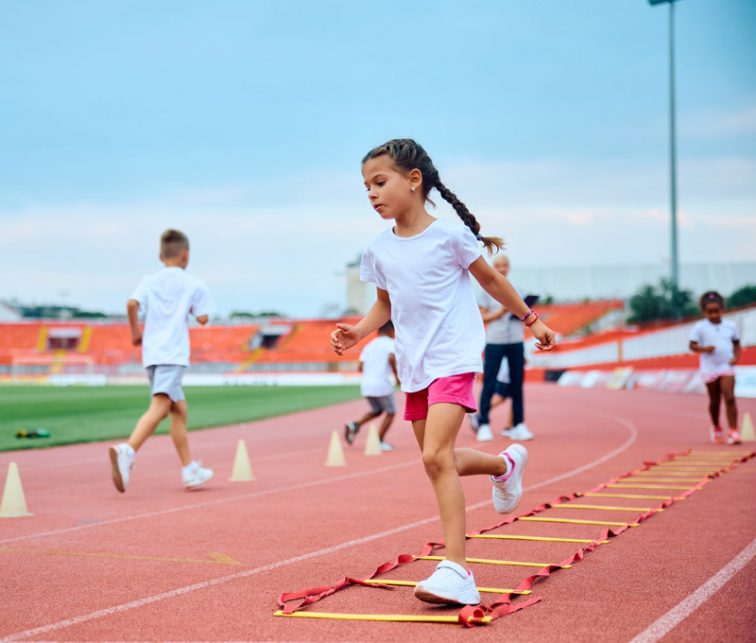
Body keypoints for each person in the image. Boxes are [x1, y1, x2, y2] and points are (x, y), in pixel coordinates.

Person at [331, 139, 555, 606]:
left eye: (380, 182)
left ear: (414, 181)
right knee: (442, 461)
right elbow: (384, 306)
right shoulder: (377, 250)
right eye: (365, 187)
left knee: (435, 457)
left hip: (454, 357)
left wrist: (532, 320)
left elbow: (491, 280)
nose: (371, 194)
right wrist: (358, 333)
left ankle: (457, 569)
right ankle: (504, 465)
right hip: (414, 366)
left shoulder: (450, 236)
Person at [109, 229, 215, 493]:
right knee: (160, 405)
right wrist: (195, 312)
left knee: (179, 409)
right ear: (186, 255)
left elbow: (132, 304)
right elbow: (203, 318)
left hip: (152, 354)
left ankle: (189, 469)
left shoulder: (149, 281)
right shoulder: (193, 283)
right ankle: (128, 450)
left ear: (160, 256)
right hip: (173, 353)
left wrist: (135, 332)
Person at [473, 255, 532, 442]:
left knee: (517, 384)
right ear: (493, 267)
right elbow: (481, 318)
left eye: (505, 265)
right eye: (498, 265)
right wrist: (500, 312)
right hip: (494, 341)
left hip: (515, 340)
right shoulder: (485, 291)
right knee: (489, 383)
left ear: (509, 267)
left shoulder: (518, 290)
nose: (502, 268)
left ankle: (518, 424)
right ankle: (483, 424)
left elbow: (525, 314)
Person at [689, 291, 741, 445]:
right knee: (715, 400)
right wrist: (704, 349)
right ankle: (717, 426)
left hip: (726, 366)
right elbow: (691, 345)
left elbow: (737, 343)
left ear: (722, 310)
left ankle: (733, 430)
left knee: (730, 398)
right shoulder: (700, 327)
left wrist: (736, 357)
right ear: (704, 312)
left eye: (716, 311)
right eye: (709, 312)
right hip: (709, 367)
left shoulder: (730, 326)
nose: (713, 315)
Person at [344, 320, 400, 451]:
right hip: (382, 385)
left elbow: (360, 367)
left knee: (377, 410)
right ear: (391, 331)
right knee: (391, 412)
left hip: (367, 385)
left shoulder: (368, 346)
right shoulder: (391, 344)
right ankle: (379, 440)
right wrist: (397, 377)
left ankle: (355, 425)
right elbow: (392, 358)